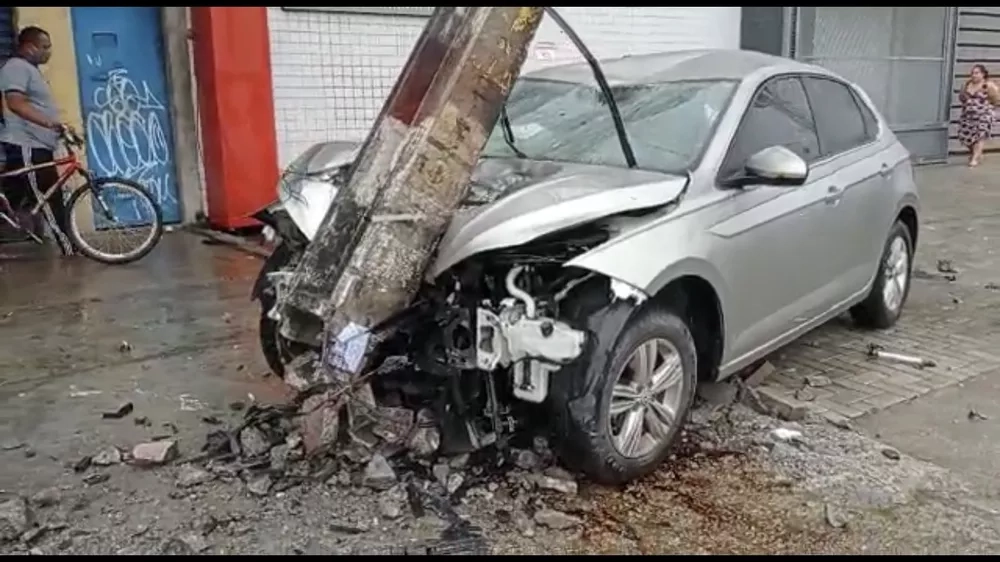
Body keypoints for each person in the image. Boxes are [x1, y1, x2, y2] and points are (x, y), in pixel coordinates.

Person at [0, 25, 72, 253]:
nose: (48, 52)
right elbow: (16, 103)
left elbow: (39, 106)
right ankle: (70, 247)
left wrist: (61, 130)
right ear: (29, 47)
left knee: (17, 198)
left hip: (37, 145)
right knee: (48, 196)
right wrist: (49, 123)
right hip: (26, 145)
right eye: (45, 47)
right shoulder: (16, 68)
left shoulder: (30, 70)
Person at [957, 63, 1000, 168]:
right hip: (968, 115)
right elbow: (961, 98)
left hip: (983, 115)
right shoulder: (967, 84)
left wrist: (988, 108)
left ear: (983, 74)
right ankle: (976, 153)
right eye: (972, 73)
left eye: (977, 73)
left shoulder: (988, 85)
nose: (974, 75)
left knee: (980, 136)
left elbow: (996, 99)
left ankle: (974, 159)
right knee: (965, 137)